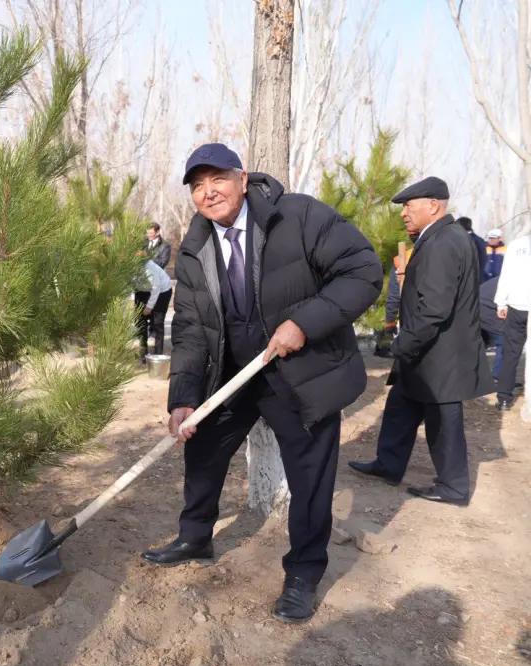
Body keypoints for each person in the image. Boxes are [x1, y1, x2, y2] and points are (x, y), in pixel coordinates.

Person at [149, 143, 382, 624]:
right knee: (203, 449)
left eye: (217, 179)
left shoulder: (296, 215)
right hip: (232, 374)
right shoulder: (193, 248)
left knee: (310, 476)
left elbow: (363, 269)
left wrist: (304, 323)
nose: (209, 192)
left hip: (299, 372)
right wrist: (184, 398)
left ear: (242, 178)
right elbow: (190, 329)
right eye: (197, 186)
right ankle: (195, 538)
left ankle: (303, 574)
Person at [349, 177, 493, 506]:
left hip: (440, 353)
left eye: (408, 206)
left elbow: (435, 308)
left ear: (433, 205)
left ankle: (453, 487)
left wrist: (403, 344)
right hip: (427, 351)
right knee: (401, 405)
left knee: (443, 422)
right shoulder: (442, 236)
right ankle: (388, 465)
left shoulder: (443, 242)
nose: (403, 213)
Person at [493, 233, 530, 411]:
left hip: (517, 304)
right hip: (519, 304)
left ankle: (504, 399)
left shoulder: (516, 245)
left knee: (510, 354)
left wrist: (501, 302)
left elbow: (506, 275)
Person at [374, 245, 413, 359]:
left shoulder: (404, 257)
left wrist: (390, 323)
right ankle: (384, 343)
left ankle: (384, 343)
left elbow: (394, 298)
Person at [134, 258, 173, 365]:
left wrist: (149, 307)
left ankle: (158, 355)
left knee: (157, 322)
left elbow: (156, 287)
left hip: (162, 291)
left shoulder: (149, 267)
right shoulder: (128, 264)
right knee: (140, 322)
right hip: (142, 289)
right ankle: (143, 354)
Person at [480, 276, 506, 379]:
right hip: (488, 308)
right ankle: (498, 377)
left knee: (479, 343)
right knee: (506, 341)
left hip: (479, 304)